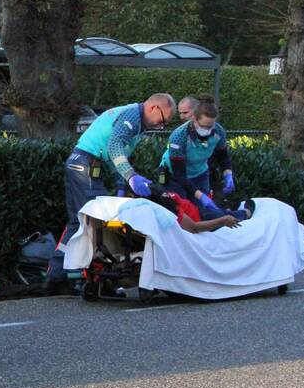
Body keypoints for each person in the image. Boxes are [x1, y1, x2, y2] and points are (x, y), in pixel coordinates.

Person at [45, 93, 176, 293]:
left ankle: (56, 277)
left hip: (82, 164)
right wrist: (131, 176)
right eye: (162, 120)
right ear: (153, 108)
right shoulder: (132, 117)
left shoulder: (135, 121)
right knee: (95, 222)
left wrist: (122, 185)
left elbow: (117, 158)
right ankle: (96, 279)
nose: (160, 126)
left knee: (78, 223)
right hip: (86, 166)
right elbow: (114, 146)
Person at [158, 94, 236, 221]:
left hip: (200, 172)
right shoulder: (179, 136)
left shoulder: (218, 131)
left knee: (204, 214)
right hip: (173, 176)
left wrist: (228, 174)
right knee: (179, 213)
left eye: (211, 126)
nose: (208, 130)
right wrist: (200, 196)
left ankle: (242, 214)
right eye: (204, 126)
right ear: (194, 118)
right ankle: (241, 214)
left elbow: (223, 156)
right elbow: (180, 175)